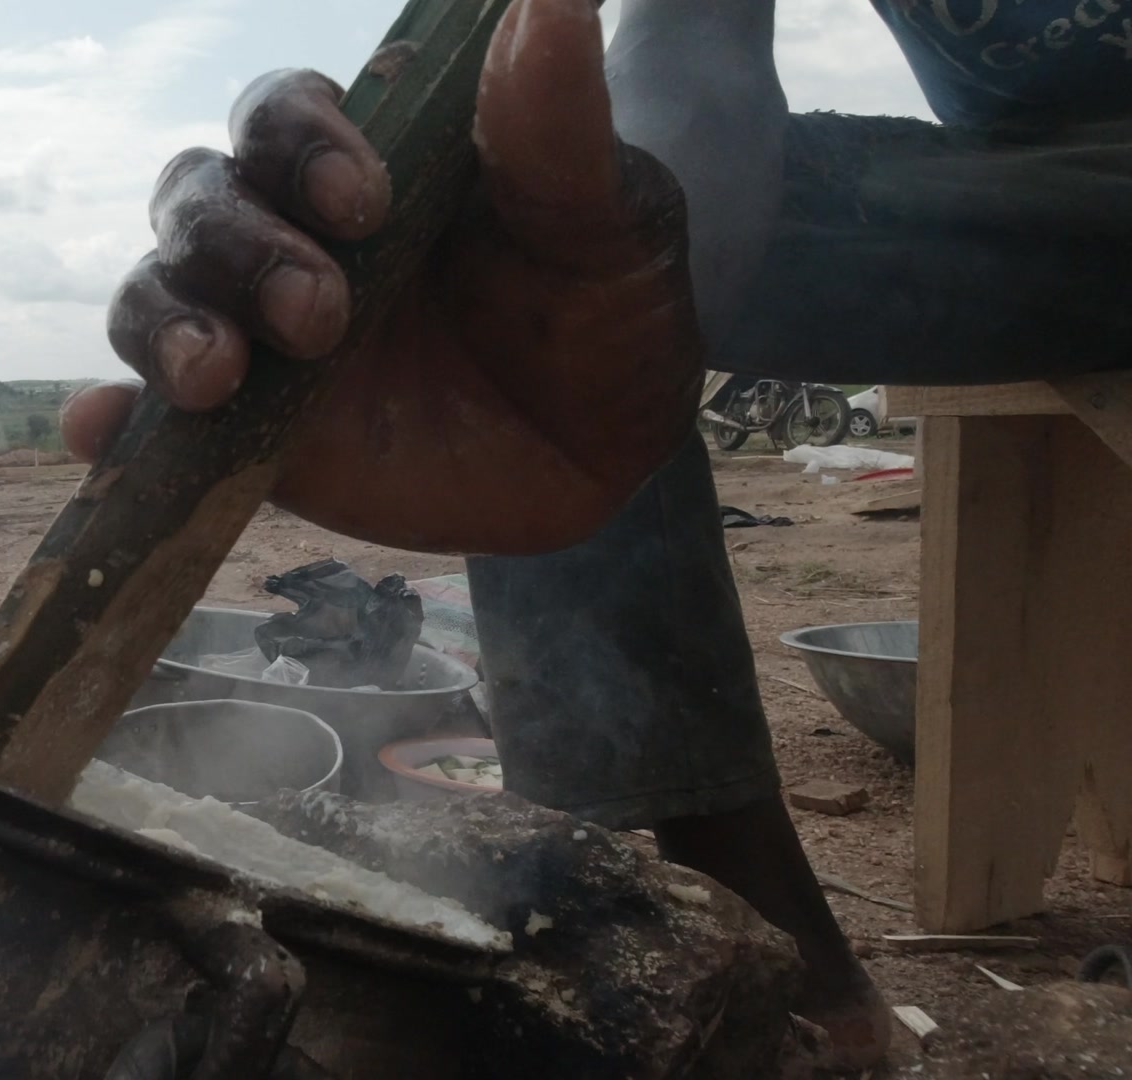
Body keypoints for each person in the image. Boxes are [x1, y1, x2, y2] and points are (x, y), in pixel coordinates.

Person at [61, 0, 1132, 1066]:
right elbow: (695, 42)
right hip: (1019, 181)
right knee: (560, 231)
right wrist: (588, 301)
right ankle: (727, 903)